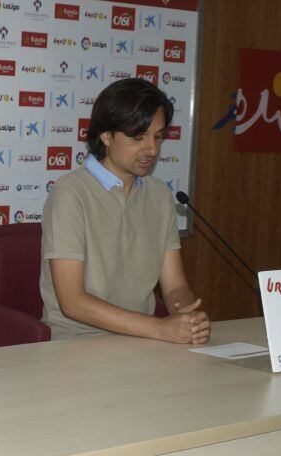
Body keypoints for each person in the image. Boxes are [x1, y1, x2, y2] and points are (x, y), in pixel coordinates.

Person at [40, 78, 210, 344]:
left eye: (158, 136)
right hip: (77, 343)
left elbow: (175, 286)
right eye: (138, 137)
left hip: (142, 340)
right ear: (106, 135)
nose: (152, 149)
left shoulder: (160, 195)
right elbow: (72, 302)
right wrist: (159, 329)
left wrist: (187, 314)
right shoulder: (70, 194)